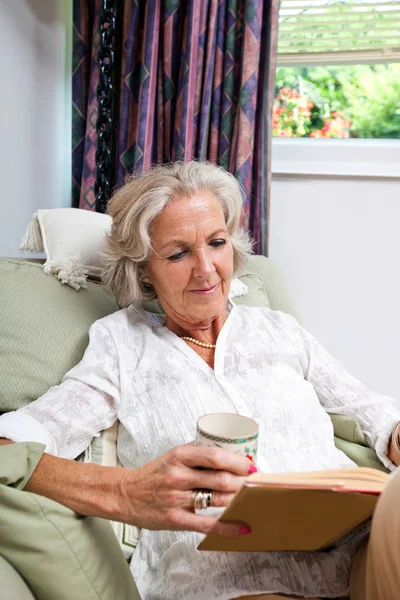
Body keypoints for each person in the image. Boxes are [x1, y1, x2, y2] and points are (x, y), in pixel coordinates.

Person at [0, 160, 400, 600]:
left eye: (216, 243)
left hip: (355, 560)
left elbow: (375, 414)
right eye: (178, 253)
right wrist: (128, 491)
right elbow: (10, 447)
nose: (207, 269)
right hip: (226, 582)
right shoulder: (121, 345)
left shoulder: (278, 330)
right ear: (144, 269)